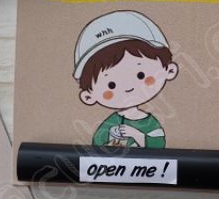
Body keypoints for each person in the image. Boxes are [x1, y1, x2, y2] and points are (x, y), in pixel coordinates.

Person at [74, 10, 179, 148]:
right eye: (111, 84)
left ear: (169, 71)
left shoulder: (149, 122)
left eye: (141, 75)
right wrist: (110, 141)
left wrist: (137, 135)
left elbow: (158, 146)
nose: (128, 87)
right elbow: (97, 144)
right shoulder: (111, 123)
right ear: (89, 96)